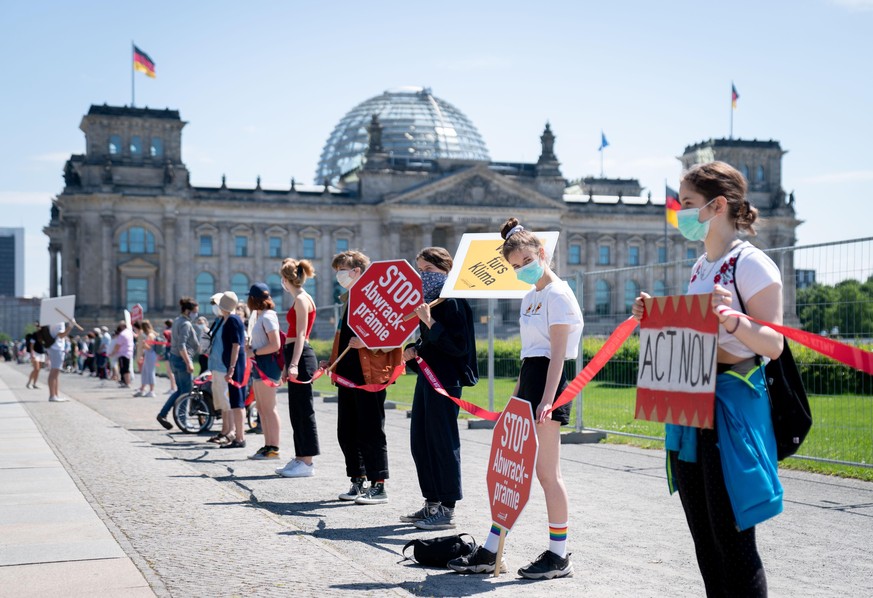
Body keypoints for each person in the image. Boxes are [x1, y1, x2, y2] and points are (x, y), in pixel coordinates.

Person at [631, 161, 784, 597]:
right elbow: (694, 337)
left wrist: (731, 320)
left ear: (717, 206)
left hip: (729, 413)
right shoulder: (701, 267)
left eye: (688, 202)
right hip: (690, 411)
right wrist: (656, 320)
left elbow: (773, 343)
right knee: (706, 543)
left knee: (734, 542)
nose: (680, 210)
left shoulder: (751, 264)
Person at [448, 218, 582, 580]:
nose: (522, 270)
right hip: (529, 383)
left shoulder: (558, 294)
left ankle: (558, 555)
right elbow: (529, 356)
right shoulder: (531, 295)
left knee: (547, 473)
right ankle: (492, 550)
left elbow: (557, 355)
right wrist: (515, 398)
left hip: (549, 386)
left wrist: (548, 400)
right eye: (516, 266)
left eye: (526, 262)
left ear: (541, 253)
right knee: (511, 470)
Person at [401, 247, 478, 530]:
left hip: (445, 381)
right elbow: (432, 345)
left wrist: (429, 321)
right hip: (427, 377)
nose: (424, 276)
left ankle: (447, 509)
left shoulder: (453, 300)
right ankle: (431, 502)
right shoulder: (430, 300)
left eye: (429, 270)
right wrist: (414, 349)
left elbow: (459, 346)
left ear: (445, 270)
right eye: (420, 270)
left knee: (442, 443)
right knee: (421, 441)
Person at [326, 250, 403, 505]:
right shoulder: (348, 299)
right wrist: (332, 360)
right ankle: (357, 479)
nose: (339, 275)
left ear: (357, 271)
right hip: (347, 375)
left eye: (343, 269)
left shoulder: (380, 298)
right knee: (347, 431)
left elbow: (395, 337)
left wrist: (368, 342)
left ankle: (378, 484)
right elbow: (344, 336)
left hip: (370, 376)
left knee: (371, 431)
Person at [274, 258, 320, 478]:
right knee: (296, 410)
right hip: (294, 355)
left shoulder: (302, 299)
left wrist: (293, 363)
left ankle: (307, 462)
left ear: (285, 279)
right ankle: (301, 456)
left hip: (301, 356)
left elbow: (301, 334)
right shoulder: (299, 298)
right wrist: (287, 363)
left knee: (303, 410)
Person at [246, 282, 283, 459]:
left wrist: (253, 351)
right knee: (261, 408)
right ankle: (267, 445)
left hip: (267, 365)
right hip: (259, 364)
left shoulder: (268, 317)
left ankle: (274, 447)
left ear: (252, 299)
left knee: (269, 408)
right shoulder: (260, 316)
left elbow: (275, 344)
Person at [156, 297, 200, 430]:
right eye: (195, 311)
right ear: (188, 311)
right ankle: (183, 421)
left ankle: (163, 414)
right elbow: (182, 346)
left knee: (180, 391)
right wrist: (189, 362)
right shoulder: (185, 324)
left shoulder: (177, 320)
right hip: (182, 360)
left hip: (175, 358)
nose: (196, 314)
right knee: (186, 393)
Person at [216, 291, 248, 450]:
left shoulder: (232, 321)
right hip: (236, 365)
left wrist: (231, 368)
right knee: (237, 402)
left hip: (236, 366)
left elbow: (236, 345)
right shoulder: (233, 319)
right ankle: (238, 436)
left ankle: (239, 437)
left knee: (237, 402)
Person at [46, 321, 73, 402]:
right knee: (54, 372)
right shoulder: (59, 322)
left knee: (56, 373)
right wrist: (70, 326)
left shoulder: (54, 320)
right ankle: (52, 395)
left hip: (55, 347)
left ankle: (55, 394)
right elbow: (61, 335)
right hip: (56, 347)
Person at [134, 320, 158, 397]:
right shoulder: (151, 334)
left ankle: (152, 390)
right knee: (145, 371)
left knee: (150, 372)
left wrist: (143, 344)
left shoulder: (150, 335)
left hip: (150, 354)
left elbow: (149, 347)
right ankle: (143, 388)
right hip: (148, 354)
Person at [109, 321, 135, 388]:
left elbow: (118, 345)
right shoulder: (129, 332)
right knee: (126, 368)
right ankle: (126, 381)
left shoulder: (123, 334)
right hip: (128, 352)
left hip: (123, 353)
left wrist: (112, 353)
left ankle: (127, 383)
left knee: (124, 369)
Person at [161, 319, 177, 394]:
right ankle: (172, 387)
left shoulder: (167, 331)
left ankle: (173, 387)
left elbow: (165, 339)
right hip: (172, 350)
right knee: (171, 371)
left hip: (168, 351)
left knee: (169, 371)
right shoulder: (174, 330)